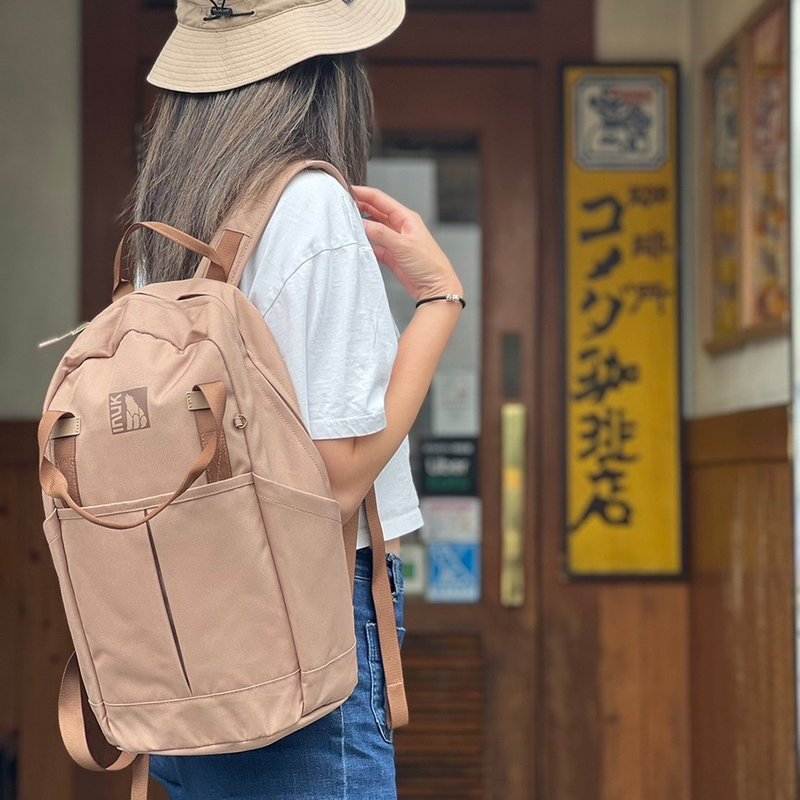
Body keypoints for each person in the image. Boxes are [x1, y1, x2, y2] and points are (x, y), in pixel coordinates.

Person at [131, 1, 464, 798]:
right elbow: (337, 477)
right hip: (295, 614)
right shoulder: (309, 203)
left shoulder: (170, 221)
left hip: (183, 621)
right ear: (324, 68)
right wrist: (440, 298)